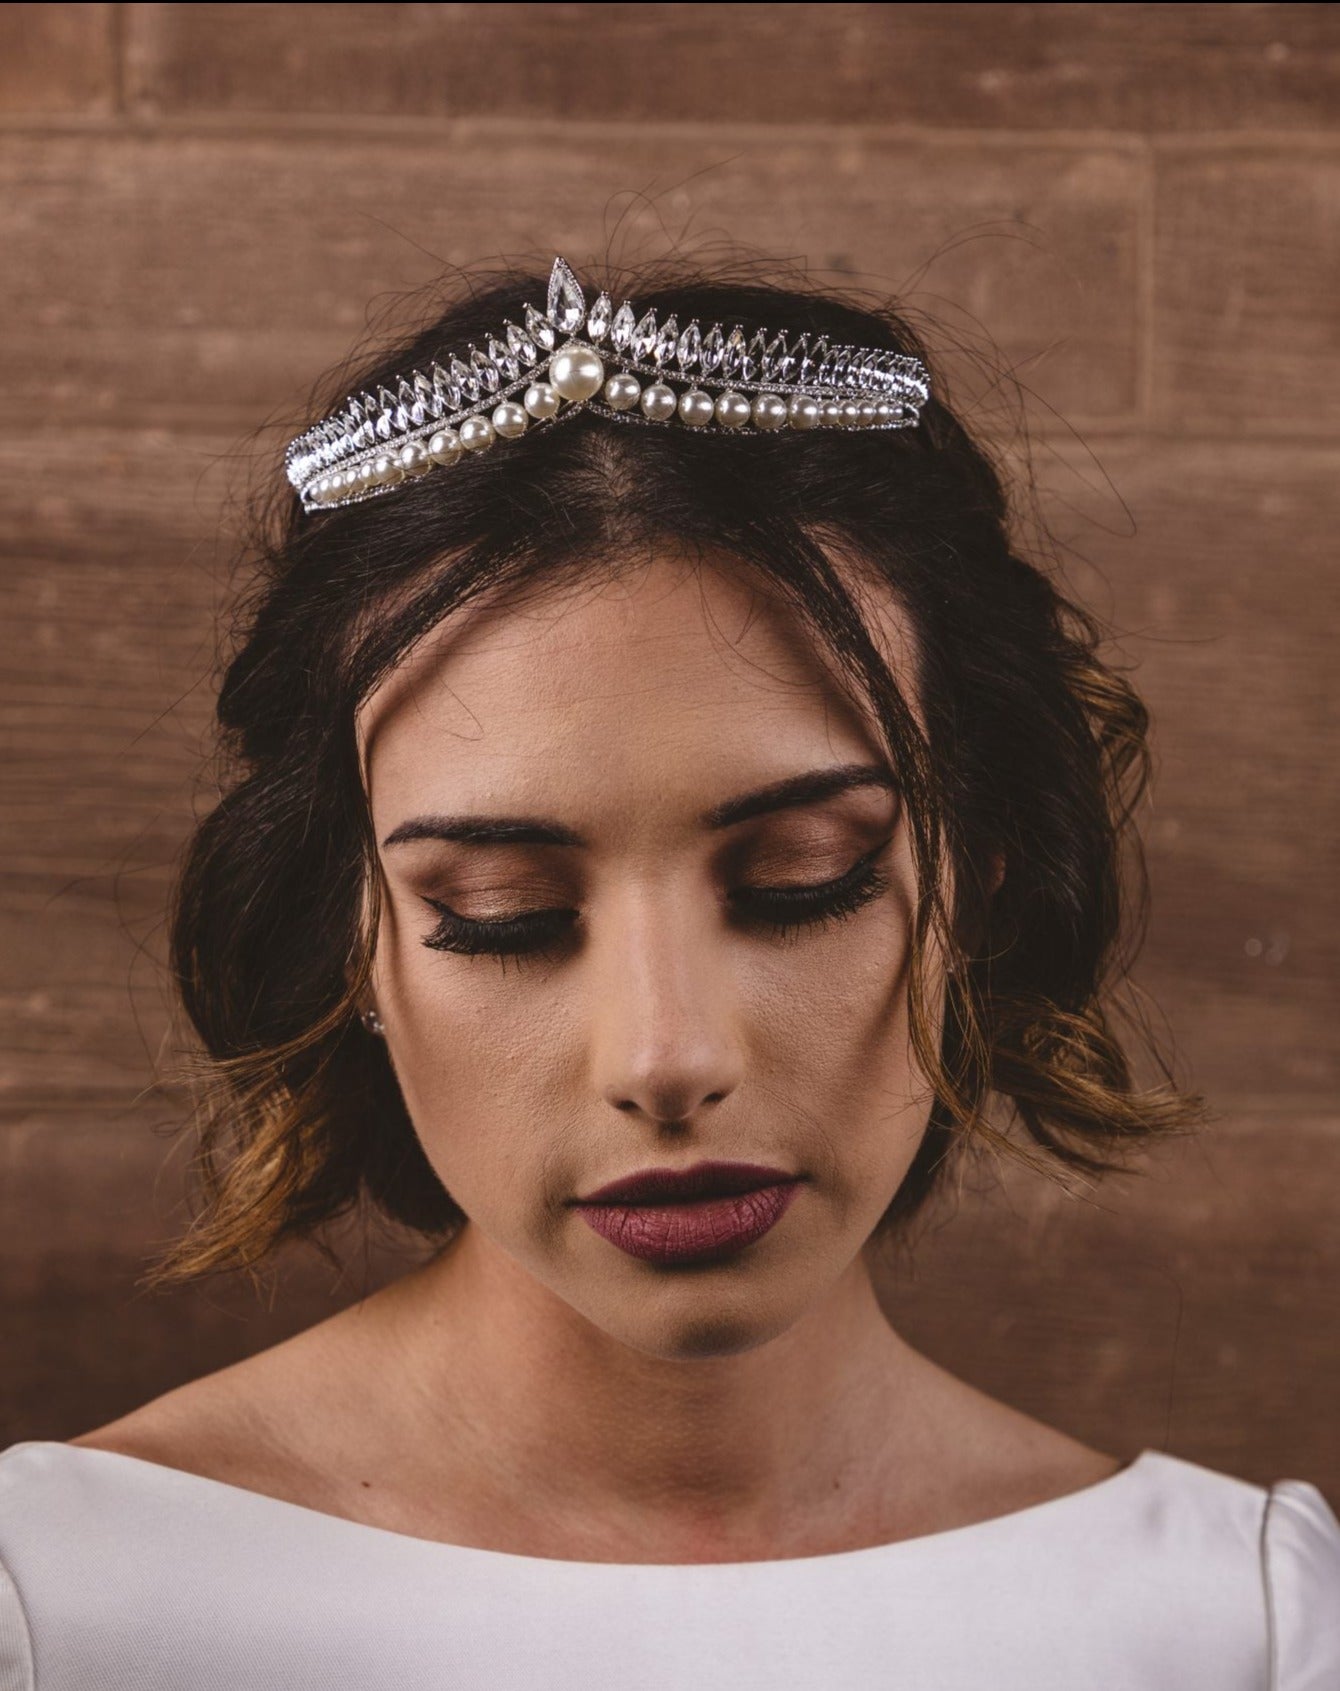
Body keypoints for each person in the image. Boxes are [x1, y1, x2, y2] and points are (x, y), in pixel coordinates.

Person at [1, 254, 1335, 1688]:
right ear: (352, 942)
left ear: (981, 882)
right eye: (505, 913)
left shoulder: (1239, 1628)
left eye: (800, 881)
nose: (666, 1057)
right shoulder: (67, 1609)